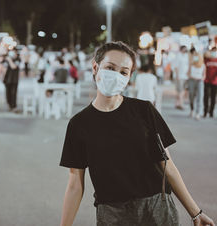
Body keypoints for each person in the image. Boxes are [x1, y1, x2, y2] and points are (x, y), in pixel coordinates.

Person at [59, 41, 214, 226]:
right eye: (110, 67)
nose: (116, 75)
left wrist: (195, 212)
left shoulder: (144, 111)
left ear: (129, 77)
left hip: (157, 208)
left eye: (123, 72)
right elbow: (75, 184)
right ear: (95, 67)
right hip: (112, 214)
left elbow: (167, 165)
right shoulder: (79, 124)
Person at [188, 48, 206, 120]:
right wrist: (192, 77)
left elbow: (204, 75)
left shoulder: (203, 65)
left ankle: (198, 113)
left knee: (200, 96)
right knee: (191, 95)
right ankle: (192, 109)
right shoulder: (191, 64)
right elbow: (188, 74)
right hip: (192, 80)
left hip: (200, 81)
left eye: (197, 56)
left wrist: (201, 78)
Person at [203, 46, 217, 118]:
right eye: (213, 51)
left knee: (213, 97)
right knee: (206, 97)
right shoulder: (206, 60)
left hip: (215, 82)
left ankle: (211, 112)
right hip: (206, 80)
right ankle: (205, 111)